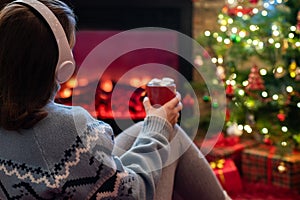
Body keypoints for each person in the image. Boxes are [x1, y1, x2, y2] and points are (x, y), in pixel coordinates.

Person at [0, 0, 231, 199]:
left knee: (146, 129)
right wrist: (159, 125)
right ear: (63, 66)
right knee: (169, 137)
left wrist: (152, 126)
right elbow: (135, 193)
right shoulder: (69, 131)